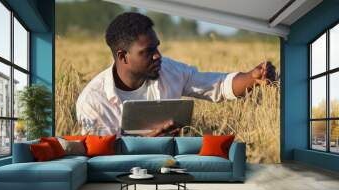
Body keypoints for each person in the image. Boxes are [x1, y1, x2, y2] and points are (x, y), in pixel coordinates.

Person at [76, 12, 276, 137]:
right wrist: (146, 144)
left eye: (157, 48)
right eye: (147, 51)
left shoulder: (169, 70)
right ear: (123, 56)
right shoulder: (93, 100)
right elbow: (101, 159)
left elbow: (220, 86)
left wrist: (252, 77)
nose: (158, 56)